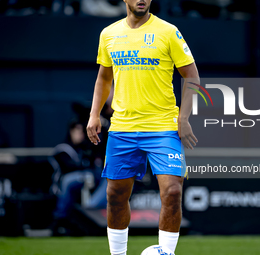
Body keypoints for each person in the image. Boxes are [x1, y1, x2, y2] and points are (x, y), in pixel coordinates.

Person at [86, 0, 199, 254]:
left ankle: (166, 253)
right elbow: (104, 78)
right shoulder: (109, 34)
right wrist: (94, 114)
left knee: (172, 192)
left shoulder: (168, 31)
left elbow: (192, 75)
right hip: (122, 129)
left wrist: (184, 117)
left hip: (164, 128)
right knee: (115, 197)